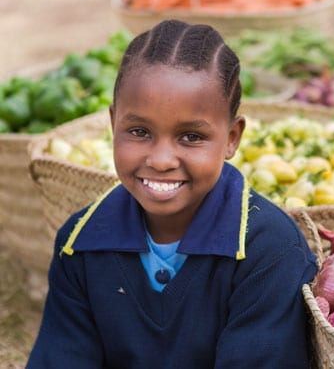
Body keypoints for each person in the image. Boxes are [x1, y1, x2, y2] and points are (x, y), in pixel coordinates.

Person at [27, 19, 318, 368]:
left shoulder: (268, 247)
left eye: (191, 137)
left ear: (231, 138)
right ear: (112, 124)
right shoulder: (80, 243)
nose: (162, 160)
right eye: (139, 131)